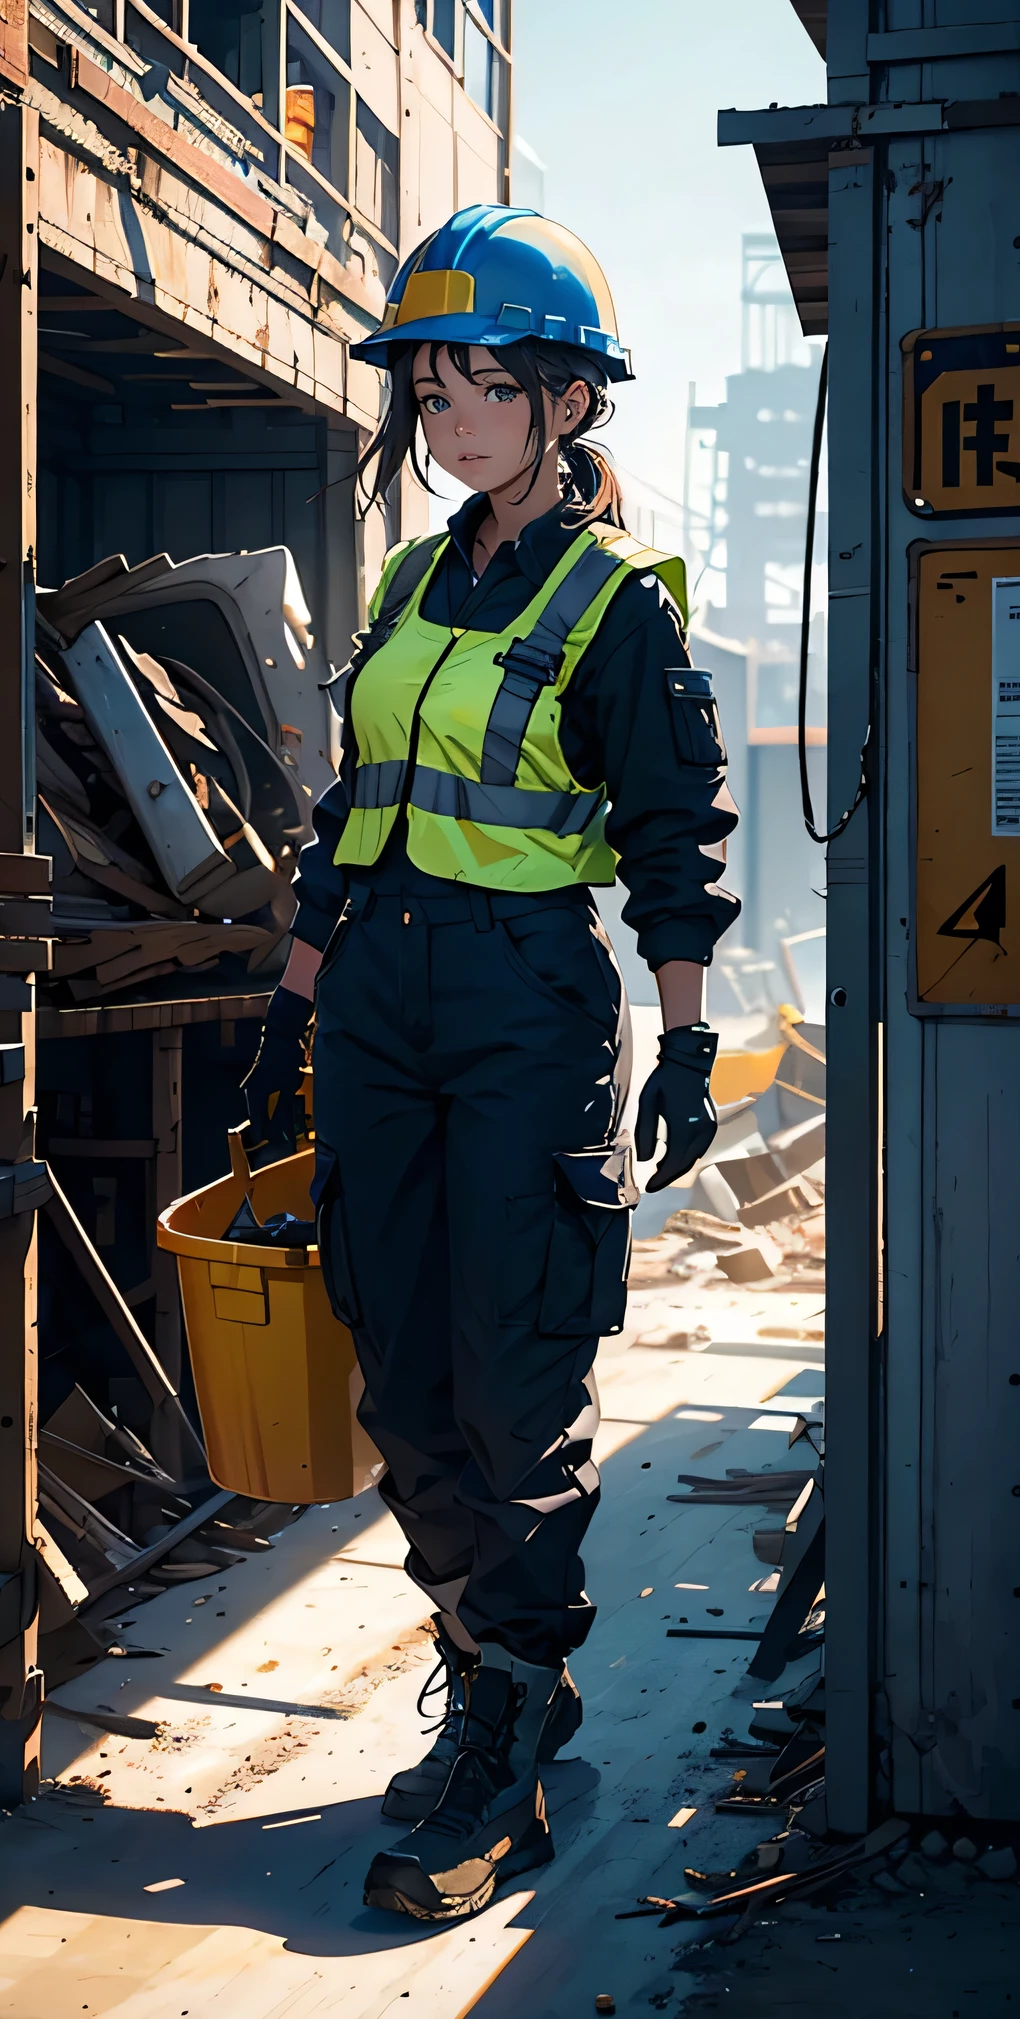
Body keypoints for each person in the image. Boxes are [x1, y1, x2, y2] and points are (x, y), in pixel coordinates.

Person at [241, 204, 740, 1924]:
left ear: (564, 400)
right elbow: (351, 828)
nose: (443, 420)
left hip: (525, 1001)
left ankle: (507, 1744)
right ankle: (495, 1668)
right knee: (395, 1361)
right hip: (379, 997)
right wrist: (295, 1006)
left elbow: (676, 835)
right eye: (429, 389)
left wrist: (682, 1039)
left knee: (509, 1373)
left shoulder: (614, 607)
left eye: (475, 389)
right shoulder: (411, 580)